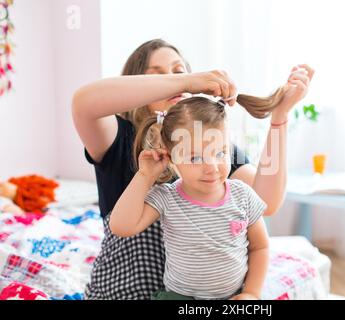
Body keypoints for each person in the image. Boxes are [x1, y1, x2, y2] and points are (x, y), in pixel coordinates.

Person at [72, 39, 314, 299]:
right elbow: (83, 103)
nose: (174, 79)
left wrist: (279, 119)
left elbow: (266, 202)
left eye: (179, 70)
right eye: (157, 75)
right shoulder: (119, 136)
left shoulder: (211, 147)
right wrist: (185, 81)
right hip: (126, 288)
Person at [109, 96, 276, 300]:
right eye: (195, 158)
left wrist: (251, 292)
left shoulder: (243, 195)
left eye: (220, 153)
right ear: (171, 157)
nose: (212, 167)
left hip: (235, 296)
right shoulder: (167, 197)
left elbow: (261, 247)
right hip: (179, 298)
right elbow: (121, 226)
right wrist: (145, 175)